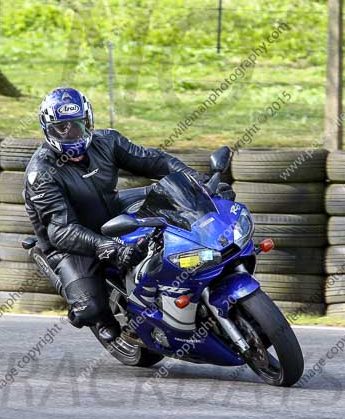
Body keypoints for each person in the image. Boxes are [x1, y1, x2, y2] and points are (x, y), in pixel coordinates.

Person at [24, 87, 211, 342]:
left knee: (172, 198)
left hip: (113, 212)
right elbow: (61, 230)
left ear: (88, 121)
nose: (71, 133)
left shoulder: (108, 141)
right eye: (62, 128)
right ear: (48, 129)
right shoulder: (41, 173)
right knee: (90, 310)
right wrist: (107, 246)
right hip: (71, 242)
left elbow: (155, 161)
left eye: (77, 125)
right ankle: (99, 312)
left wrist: (199, 182)